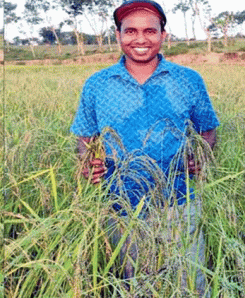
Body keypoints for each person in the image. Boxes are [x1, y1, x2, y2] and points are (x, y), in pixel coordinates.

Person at [70, 0, 219, 295]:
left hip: (180, 201)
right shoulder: (97, 84)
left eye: (150, 31)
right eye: (131, 31)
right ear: (118, 35)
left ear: (164, 35)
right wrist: (88, 162)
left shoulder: (188, 80)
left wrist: (200, 155)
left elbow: (207, 128)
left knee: (190, 283)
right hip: (121, 206)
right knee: (136, 284)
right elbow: (85, 136)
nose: (140, 39)